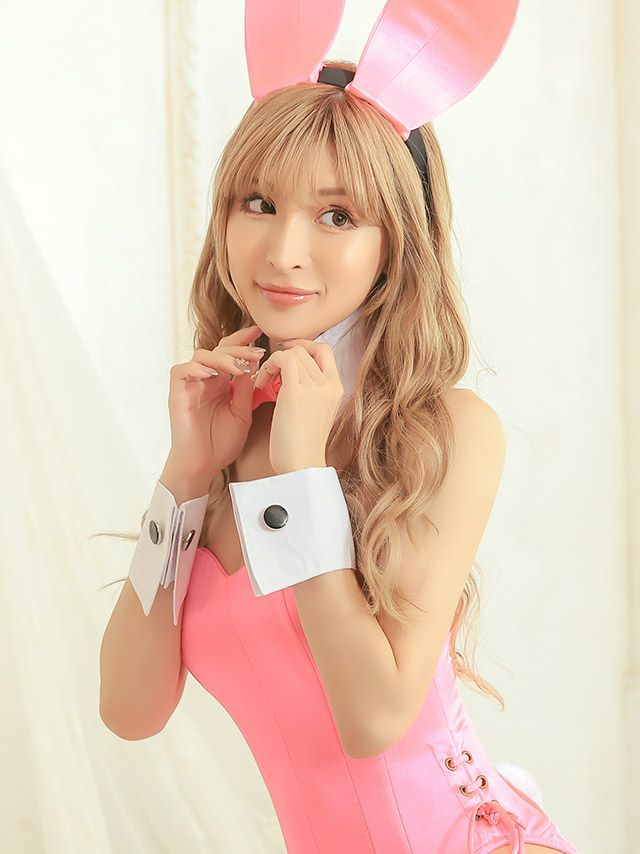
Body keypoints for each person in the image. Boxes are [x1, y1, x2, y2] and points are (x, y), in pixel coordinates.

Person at [99, 1, 581, 851]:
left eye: (336, 216)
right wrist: (184, 476)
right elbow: (128, 710)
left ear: (396, 244)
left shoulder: (447, 433)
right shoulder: (226, 433)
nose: (284, 251)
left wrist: (300, 478)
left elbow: (373, 718)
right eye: (258, 202)